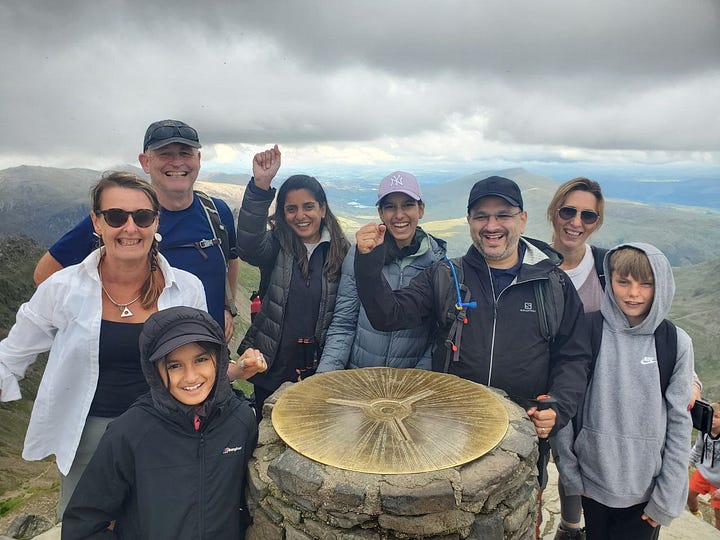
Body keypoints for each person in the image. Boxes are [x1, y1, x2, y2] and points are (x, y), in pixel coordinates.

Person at [353, 176, 590, 500]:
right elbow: (387, 315)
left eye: (502, 215)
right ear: (469, 222)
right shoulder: (445, 276)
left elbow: (573, 356)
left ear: (522, 219)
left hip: (522, 437)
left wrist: (558, 407)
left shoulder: (554, 285)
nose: (491, 225)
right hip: (448, 434)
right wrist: (368, 262)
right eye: (481, 216)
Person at [0, 172, 207, 518]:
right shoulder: (62, 288)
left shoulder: (186, 289)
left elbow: (200, 363)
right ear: (96, 223)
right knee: (84, 524)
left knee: (160, 523)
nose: (130, 228)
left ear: (155, 222)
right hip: (86, 436)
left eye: (142, 217)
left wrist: (236, 370)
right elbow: (12, 355)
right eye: (115, 216)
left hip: (165, 431)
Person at [546, 177, 703, 540]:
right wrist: (570, 475)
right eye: (624, 283)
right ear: (610, 281)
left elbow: (680, 426)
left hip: (645, 491)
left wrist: (666, 497)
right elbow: (570, 398)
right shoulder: (590, 329)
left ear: (661, 287)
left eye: (646, 284)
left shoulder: (675, 342)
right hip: (592, 484)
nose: (633, 293)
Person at [32, 119, 240, 340]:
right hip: (139, 362)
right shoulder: (115, 219)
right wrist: (89, 327)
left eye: (185, 153)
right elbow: (44, 274)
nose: (177, 162)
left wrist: (227, 307)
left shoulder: (217, 212)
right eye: (165, 154)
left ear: (198, 159)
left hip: (207, 353)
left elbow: (231, 259)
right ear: (145, 162)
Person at [62, 306, 258, 539]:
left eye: (201, 359)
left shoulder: (240, 421)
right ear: (154, 369)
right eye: (174, 365)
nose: (191, 377)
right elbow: (83, 525)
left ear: (219, 358)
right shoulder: (130, 432)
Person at [232, 145, 350, 419]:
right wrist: (261, 185)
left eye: (308, 207)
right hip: (272, 363)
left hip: (318, 365)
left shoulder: (341, 252)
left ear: (322, 209)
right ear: (283, 213)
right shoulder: (276, 246)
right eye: (291, 209)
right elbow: (248, 246)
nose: (301, 215)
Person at [317, 171, 446, 372]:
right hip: (361, 377)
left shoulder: (438, 263)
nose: (399, 215)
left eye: (408, 205)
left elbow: (437, 336)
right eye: (390, 207)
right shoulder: (360, 254)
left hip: (408, 385)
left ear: (421, 209)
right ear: (381, 214)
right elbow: (344, 324)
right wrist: (324, 378)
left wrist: (416, 380)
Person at [687, 401, 720, 530]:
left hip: (718, 482)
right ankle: (696, 513)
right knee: (689, 495)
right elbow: (697, 449)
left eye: (717, 417)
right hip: (704, 472)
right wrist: (688, 464)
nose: (712, 419)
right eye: (711, 415)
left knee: (718, 514)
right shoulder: (704, 431)